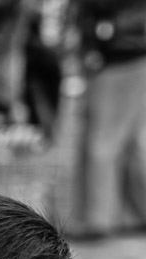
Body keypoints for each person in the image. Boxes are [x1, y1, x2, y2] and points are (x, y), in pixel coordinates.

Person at [74, 0, 146, 238]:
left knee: (104, 142)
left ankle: (99, 219)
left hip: (120, 56)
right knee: (131, 141)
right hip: (132, 54)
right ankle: (133, 214)